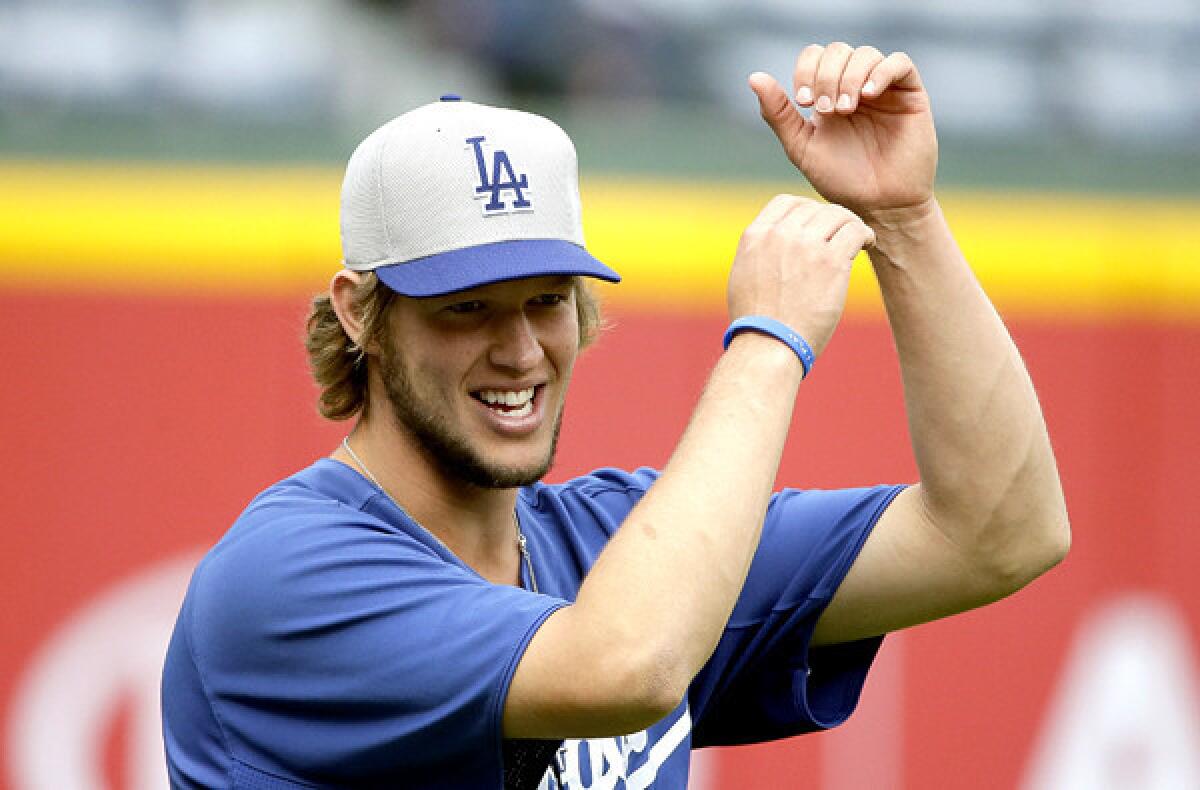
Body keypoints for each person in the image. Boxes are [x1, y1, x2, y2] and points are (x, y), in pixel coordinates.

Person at [161, 42, 1070, 789]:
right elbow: (624, 666)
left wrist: (904, 220)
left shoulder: (619, 542)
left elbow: (1000, 530)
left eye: (547, 300)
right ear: (361, 310)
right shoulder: (287, 576)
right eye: (465, 307)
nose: (518, 349)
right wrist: (769, 340)